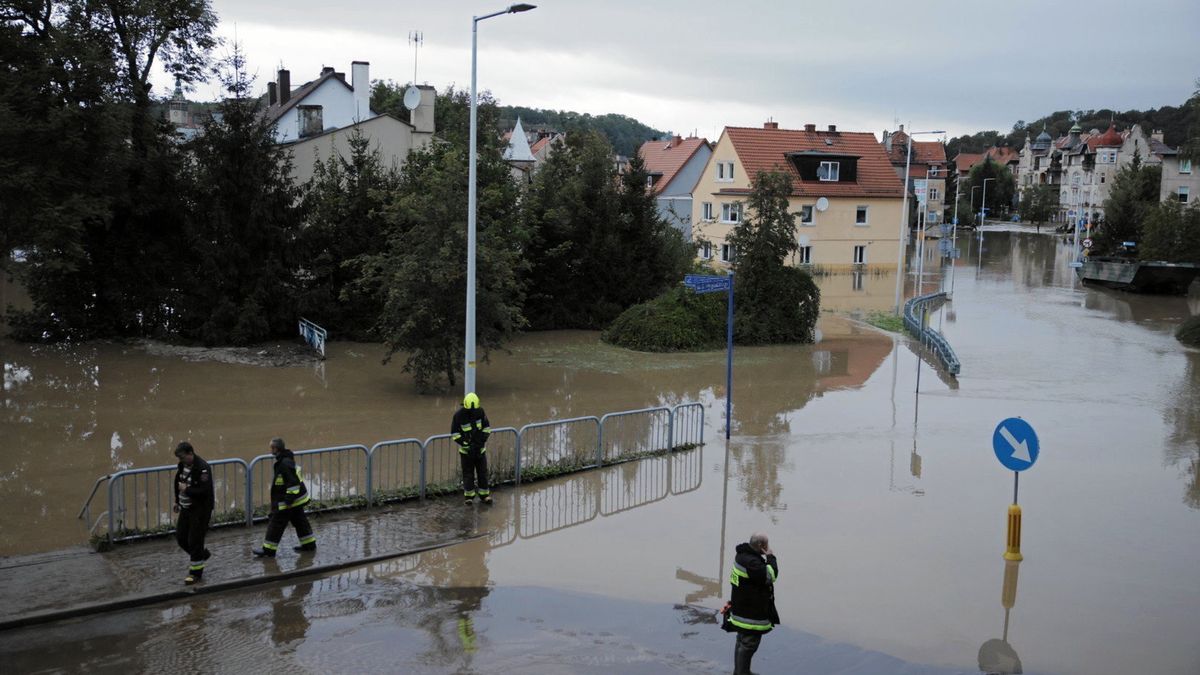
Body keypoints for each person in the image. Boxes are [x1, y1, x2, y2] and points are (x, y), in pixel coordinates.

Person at [722, 532, 779, 675]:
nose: (768, 547)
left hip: (741, 608)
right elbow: (771, 576)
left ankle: (741, 671)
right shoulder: (753, 563)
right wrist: (770, 556)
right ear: (760, 546)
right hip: (750, 614)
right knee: (748, 644)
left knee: (741, 641)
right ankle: (741, 673)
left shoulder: (741, 556)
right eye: (766, 545)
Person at [253, 438, 316, 557]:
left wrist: (288, 501)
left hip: (289, 502)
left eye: (271, 448)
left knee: (276, 524)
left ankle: (268, 550)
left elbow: (293, 483)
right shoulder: (285, 460)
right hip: (296, 500)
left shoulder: (284, 463)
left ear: (275, 449)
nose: (270, 450)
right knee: (300, 522)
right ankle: (309, 545)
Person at [173, 441, 213, 585]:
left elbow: (204, 491)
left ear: (191, 453)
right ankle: (201, 556)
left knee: (195, 541)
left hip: (199, 510)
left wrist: (186, 490)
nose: (181, 460)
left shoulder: (202, 468)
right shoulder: (182, 465)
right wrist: (177, 500)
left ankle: (195, 573)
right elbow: (178, 481)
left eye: (183, 457)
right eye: (179, 458)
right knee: (181, 537)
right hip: (185, 508)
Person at [451, 392, 492, 504]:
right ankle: (469, 497)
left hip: (480, 450)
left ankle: (484, 495)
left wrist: (481, 441)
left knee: (482, 473)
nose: (473, 412)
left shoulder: (480, 412)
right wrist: (465, 443)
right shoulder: (458, 416)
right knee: (468, 474)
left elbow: (487, 428)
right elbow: (454, 433)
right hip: (466, 452)